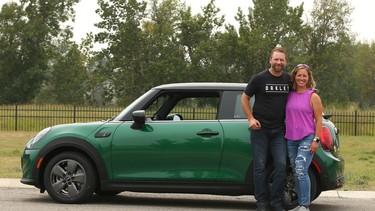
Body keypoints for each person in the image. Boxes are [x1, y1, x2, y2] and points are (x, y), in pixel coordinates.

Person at [241, 46, 291, 211]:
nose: (278, 62)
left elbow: (301, 94)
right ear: (270, 60)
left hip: (279, 131)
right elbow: (245, 98)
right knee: (260, 166)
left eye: (281, 60)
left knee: (282, 165)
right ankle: (261, 202)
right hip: (259, 130)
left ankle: (276, 201)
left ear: (285, 62)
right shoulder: (259, 78)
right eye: (276, 59)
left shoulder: (288, 80)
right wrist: (250, 118)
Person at [285, 64, 322, 211]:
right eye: (299, 75)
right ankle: (301, 204)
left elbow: (319, 119)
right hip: (291, 139)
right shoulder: (289, 94)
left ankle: (305, 206)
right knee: (296, 171)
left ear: (308, 78)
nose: (301, 78)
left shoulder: (313, 96)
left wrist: (316, 139)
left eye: (304, 76)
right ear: (294, 76)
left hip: (307, 138)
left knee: (300, 170)